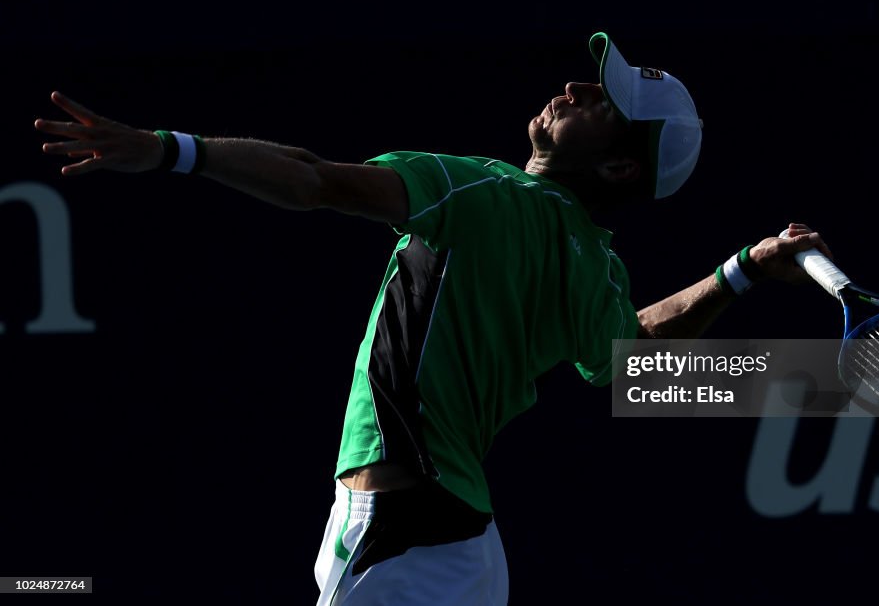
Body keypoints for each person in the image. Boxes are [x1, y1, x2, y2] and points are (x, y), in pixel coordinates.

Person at [34, 31, 832, 605]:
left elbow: (313, 181)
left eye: (604, 103)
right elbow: (630, 355)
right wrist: (742, 270)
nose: (578, 89)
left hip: (400, 539)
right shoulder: (593, 262)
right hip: (468, 548)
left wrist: (171, 149)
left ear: (621, 163)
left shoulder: (479, 191)